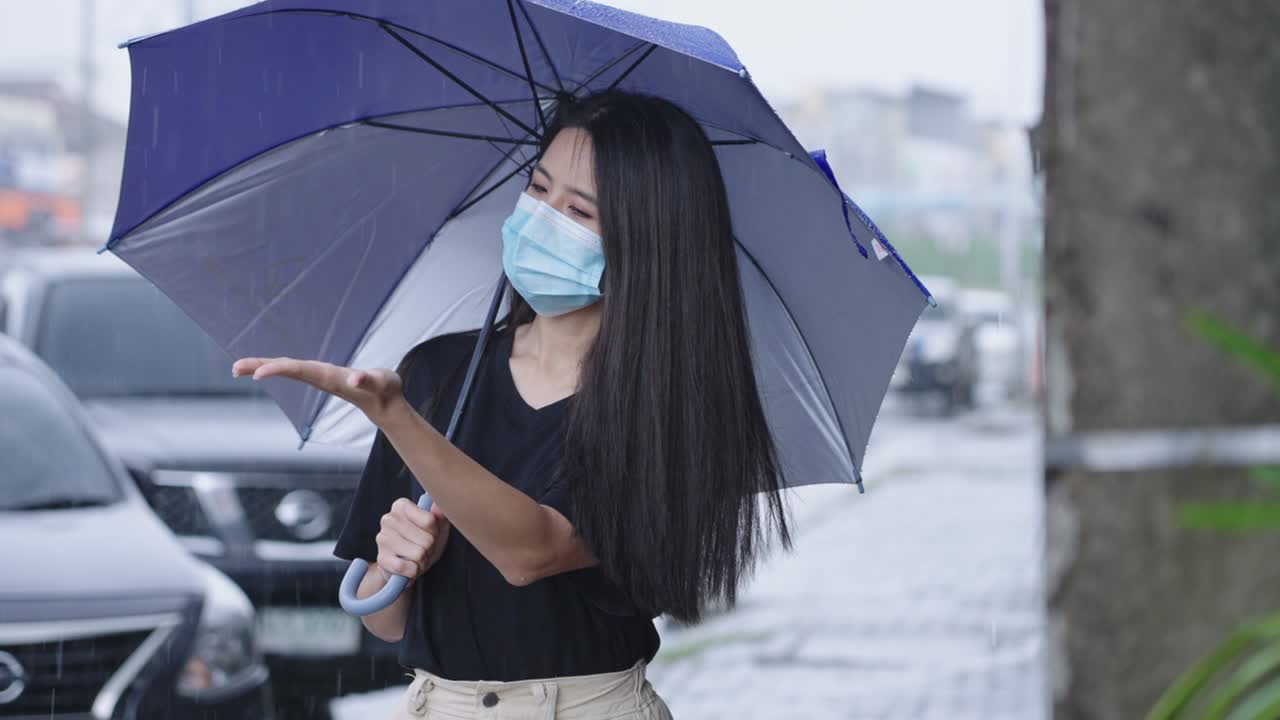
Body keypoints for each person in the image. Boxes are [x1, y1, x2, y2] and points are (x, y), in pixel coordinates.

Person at [232, 90, 793, 719]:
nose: (542, 218)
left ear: (647, 242)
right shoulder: (439, 372)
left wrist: (396, 418)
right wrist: (399, 563)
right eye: (537, 188)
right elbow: (384, 619)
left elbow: (532, 552)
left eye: (579, 210)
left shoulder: (669, 410)